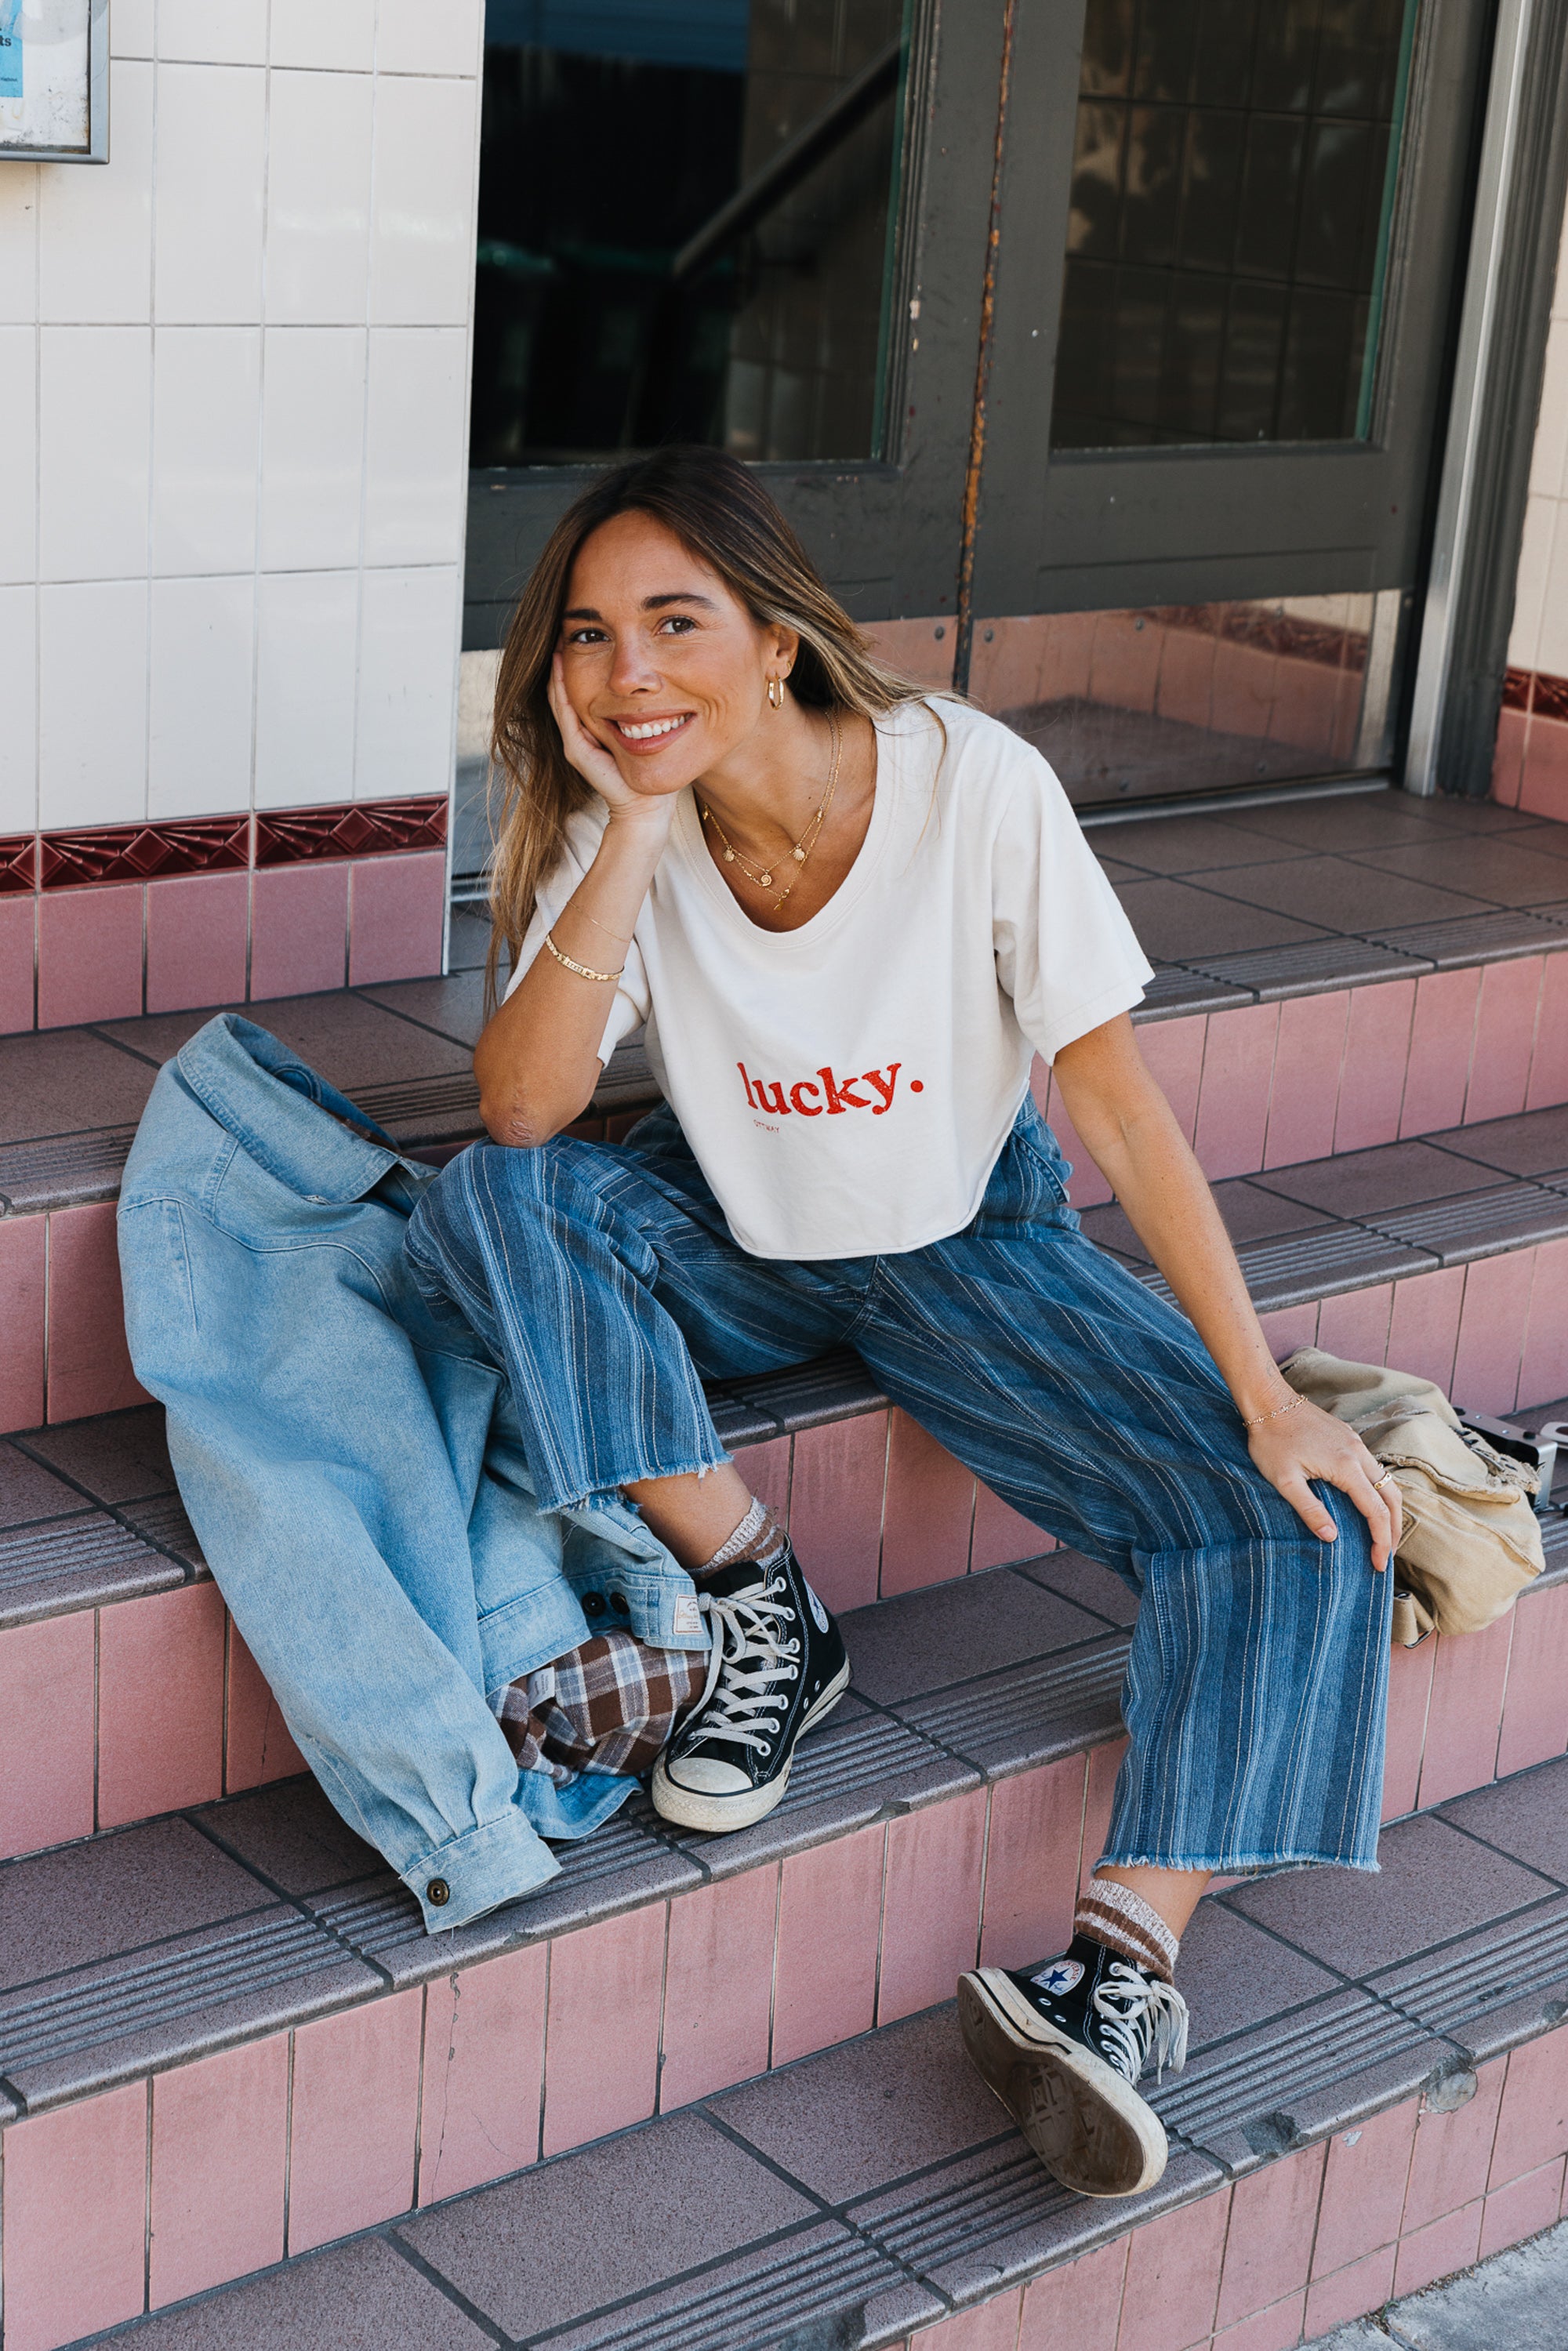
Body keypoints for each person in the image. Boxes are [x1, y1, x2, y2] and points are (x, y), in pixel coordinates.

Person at [406, 444, 1402, 2201]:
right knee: (492, 1204)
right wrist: (635, 827)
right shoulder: (621, 815)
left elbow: (1114, 1107)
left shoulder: (970, 783)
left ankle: (1118, 1971)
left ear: (780, 635)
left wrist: (1261, 1391)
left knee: (1298, 1521)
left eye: (673, 623)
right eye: (585, 636)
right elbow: (520, 1112)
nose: (626, 673)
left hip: (964, 1245)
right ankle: (760, 1601)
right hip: (742, 1235)